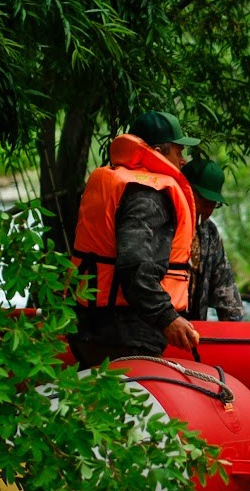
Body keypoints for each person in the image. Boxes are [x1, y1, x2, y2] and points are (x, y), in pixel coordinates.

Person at [69, 109, 204, 363]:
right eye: (178, 152)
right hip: (125, 335)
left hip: (89, 329)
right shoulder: (148, 194)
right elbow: (135, 265)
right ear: (159, 152)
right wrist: (167, 317)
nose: (183, 160)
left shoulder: (117, 181)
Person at [183, 157, 245, 321]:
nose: (207, 209)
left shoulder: (209, 233)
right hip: (156, 328)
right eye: (203, 200)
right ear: (184, 190)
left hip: (194, 328)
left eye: (212, 204)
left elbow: (226, 291)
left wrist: (235, 330)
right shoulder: (162, 222)